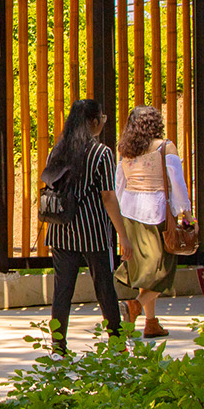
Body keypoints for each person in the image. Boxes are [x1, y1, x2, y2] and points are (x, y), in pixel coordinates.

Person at [42, 98, 133, 354]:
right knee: (104, 287)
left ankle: (58, 344)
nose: (103, 123)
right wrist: (123, 236)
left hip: (60, 230)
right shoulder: (101, 153)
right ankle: (116, 342)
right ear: (93, 122)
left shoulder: (57, 150)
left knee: (63, 289)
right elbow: (108, 197)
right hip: (92, 231)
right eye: (102, 119)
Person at [113, 105, 190, 339]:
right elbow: (176, 182)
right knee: (162, 271)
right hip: (157, 214)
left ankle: (151, 323)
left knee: (144, 271)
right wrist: (184, 211)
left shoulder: (125, 150)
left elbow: (119, 184)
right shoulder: (165, 147)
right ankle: (134, 307)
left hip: (130, 212)